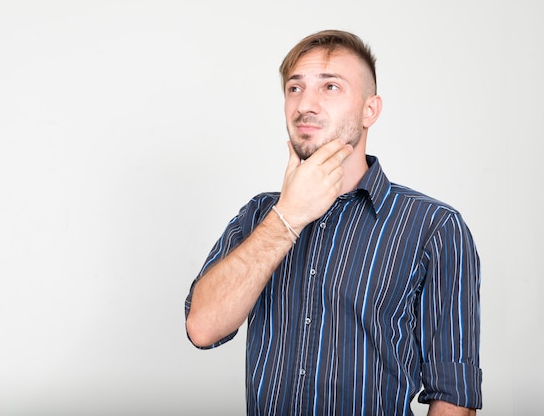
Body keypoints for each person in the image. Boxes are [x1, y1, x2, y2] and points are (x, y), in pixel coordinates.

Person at [185, 29, 482, 415]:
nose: (305, 104)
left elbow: (454, 396)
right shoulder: (259, 216)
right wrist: (288, 216)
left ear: (369, 110)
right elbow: (203, 328)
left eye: (330, 87)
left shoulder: (434, 227)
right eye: (295, 88)